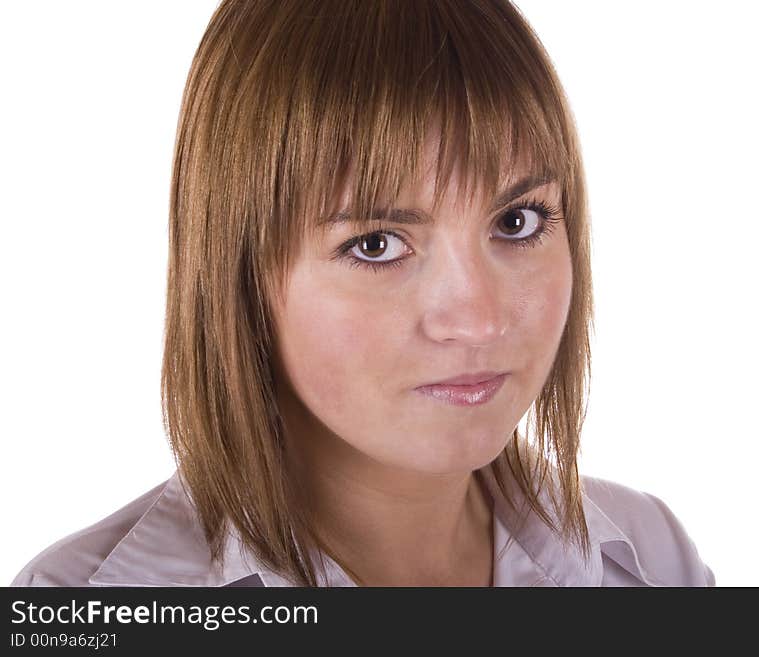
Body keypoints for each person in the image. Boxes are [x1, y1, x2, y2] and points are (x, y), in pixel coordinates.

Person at [11, 0, 714, 587]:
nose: (478, 317)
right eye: (376, 243)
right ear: (241, 271)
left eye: (516, 220)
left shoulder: (651, 563)